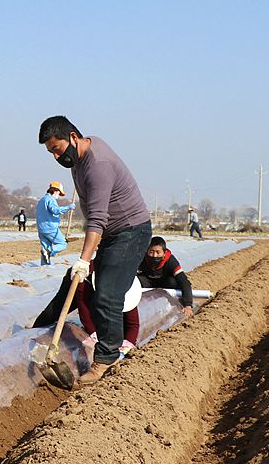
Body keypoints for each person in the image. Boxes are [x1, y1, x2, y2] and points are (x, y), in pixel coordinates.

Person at [34, 115, 152, 384]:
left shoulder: (98, 165)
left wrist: (84, 259)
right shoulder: (80, 157)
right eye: (51, 152)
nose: (56, 157)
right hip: (112, 233)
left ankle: (106, 359)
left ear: (73, 137)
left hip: (130, 231)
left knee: (108, 294)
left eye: (57, 149)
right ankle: (39, 330)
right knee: (79, 284)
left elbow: (98, 218)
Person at [137, 236, 194, 318]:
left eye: (158, 252)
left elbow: (184, 281)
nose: (154, 255)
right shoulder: (141, 259)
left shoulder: (170, 261)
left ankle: (175, 304)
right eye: (151, 252)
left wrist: (188, 305)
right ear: (147, 251)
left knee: (173, 281)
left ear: (164, 253)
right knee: (137, 280)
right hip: (148, 283)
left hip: (166, 283)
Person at [36, 181, 77, 265]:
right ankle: (49, 251)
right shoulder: (50, 199)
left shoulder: (41, 200)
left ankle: (45, 267)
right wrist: (69, 207)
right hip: (50, 228)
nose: (58, 195)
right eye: (59, 193)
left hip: (41, 229)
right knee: (62, 244)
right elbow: (55, 210)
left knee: (45, 250)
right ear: (55, 191)